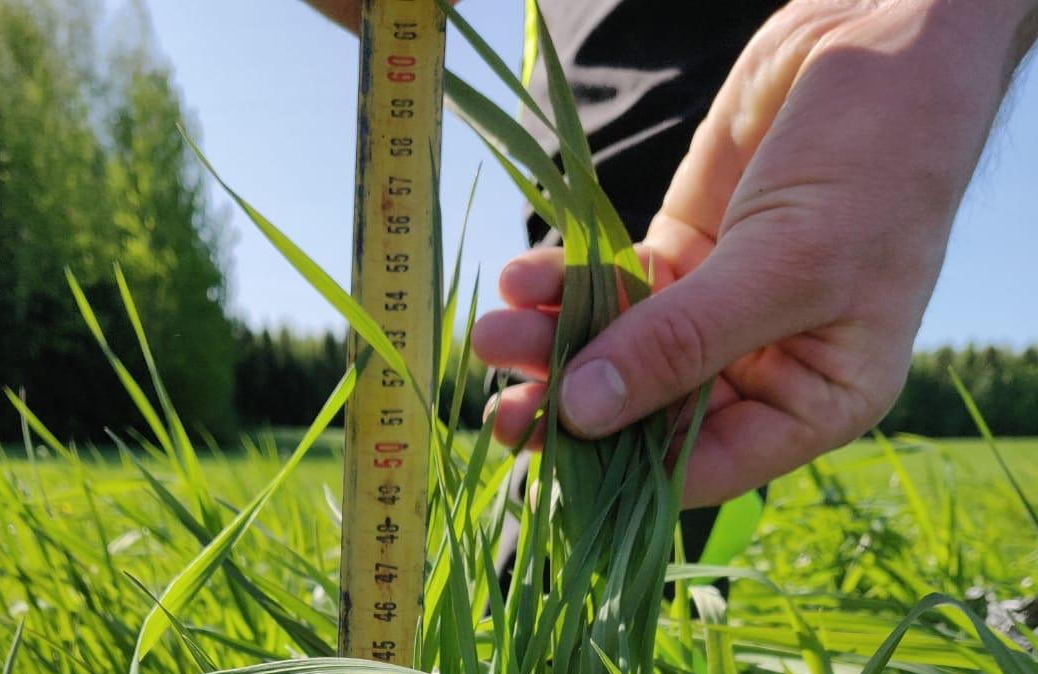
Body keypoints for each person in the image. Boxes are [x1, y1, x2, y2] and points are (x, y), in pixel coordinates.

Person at [304, 0, 1038, 516]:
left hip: (698, 69)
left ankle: (636, 612)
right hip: (579, 70)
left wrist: (950, 21)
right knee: (595, 297)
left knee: (640, 285)